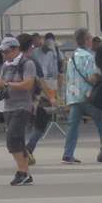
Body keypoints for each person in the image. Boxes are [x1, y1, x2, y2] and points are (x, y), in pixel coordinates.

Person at [0, 37, 39, 186]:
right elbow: (2, 85)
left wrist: (6, 83)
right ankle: (25, 173)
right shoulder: (6, 66)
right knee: (18, 140)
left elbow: (28, 84)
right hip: (8, 106)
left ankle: (22, 172)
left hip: (22, 106)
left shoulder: (27, 63)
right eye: (3, 52)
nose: (4, 55)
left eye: (6, 51)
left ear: (16, 49)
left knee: (12, 139)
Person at [61, 28, 102, 164]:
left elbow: (68, 78)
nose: (92, 40)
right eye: (90, 38)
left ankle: (68, 154)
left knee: (73, 126)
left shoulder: (71, 58)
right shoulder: (88, 57)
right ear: (86, 40)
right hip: (87, 96)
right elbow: (91, 77)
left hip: (74, 96)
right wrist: (101, 78)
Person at [25, 34, 60, 162]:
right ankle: (28, 150)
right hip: (34, 99)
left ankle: (27, 152)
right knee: (40, 124)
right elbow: (41, 81)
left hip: (19, 100)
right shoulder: (33, 60)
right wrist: (51, 98)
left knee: (28, 126)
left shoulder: (14, 61)